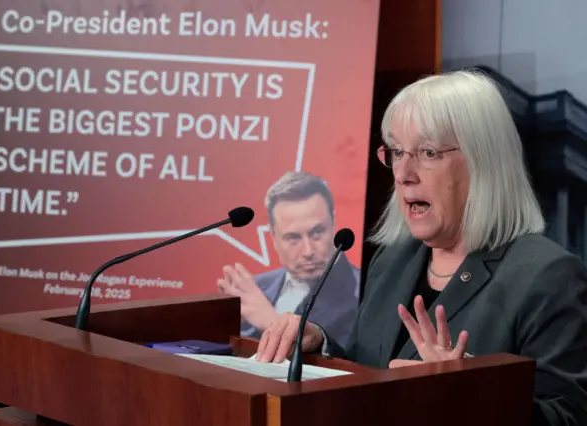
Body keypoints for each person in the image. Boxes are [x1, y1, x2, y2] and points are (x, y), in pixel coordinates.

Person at [254, 70, 587, 426]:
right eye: (397, 151)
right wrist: (319, 345)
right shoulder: (392, 260)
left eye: (428, 152)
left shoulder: (548, 277)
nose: (403, 173)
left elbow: (570, 417)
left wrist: (468, 393)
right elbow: (370, 373)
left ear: (483, 162)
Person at [217, 171, 360, 348]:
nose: (308, 251)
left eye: (317, 232)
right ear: (274, 238)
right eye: (293, 237)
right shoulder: (258, 289)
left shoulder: (363, 290)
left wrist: (270, 320)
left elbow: (349, 359)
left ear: (333, 223)